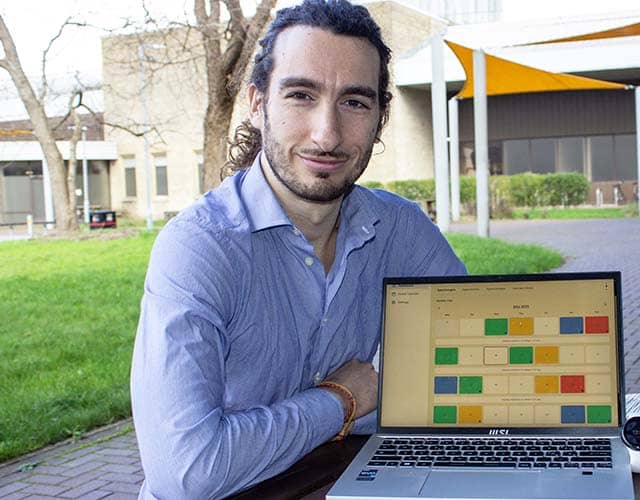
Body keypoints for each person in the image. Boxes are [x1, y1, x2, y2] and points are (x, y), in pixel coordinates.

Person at [130, 1, 466, 497]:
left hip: (337, 481)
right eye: (301, 95)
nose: (327, 135)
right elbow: (188, 472)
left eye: (354, 102)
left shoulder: (401, 230)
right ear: (257, 102)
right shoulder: (199, 247)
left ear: (379, 119)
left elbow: (472, 358)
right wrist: (343, 399)